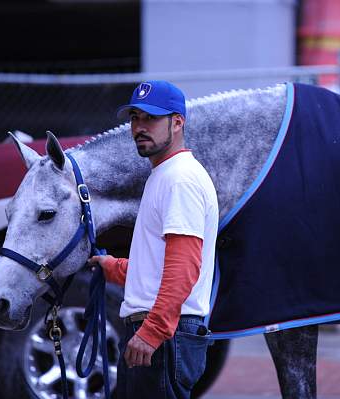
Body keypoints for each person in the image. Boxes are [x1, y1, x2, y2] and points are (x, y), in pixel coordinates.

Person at [88, 80, 219, 398]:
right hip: (164, 332)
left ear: (177, 122)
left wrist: (152, 332)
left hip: (164, 334)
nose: (139, 127)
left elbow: (185, 265)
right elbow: (160, 264)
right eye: (135, 117)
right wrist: (114, 267)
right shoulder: (165, 174)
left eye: (150, 118)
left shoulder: (180, 179)